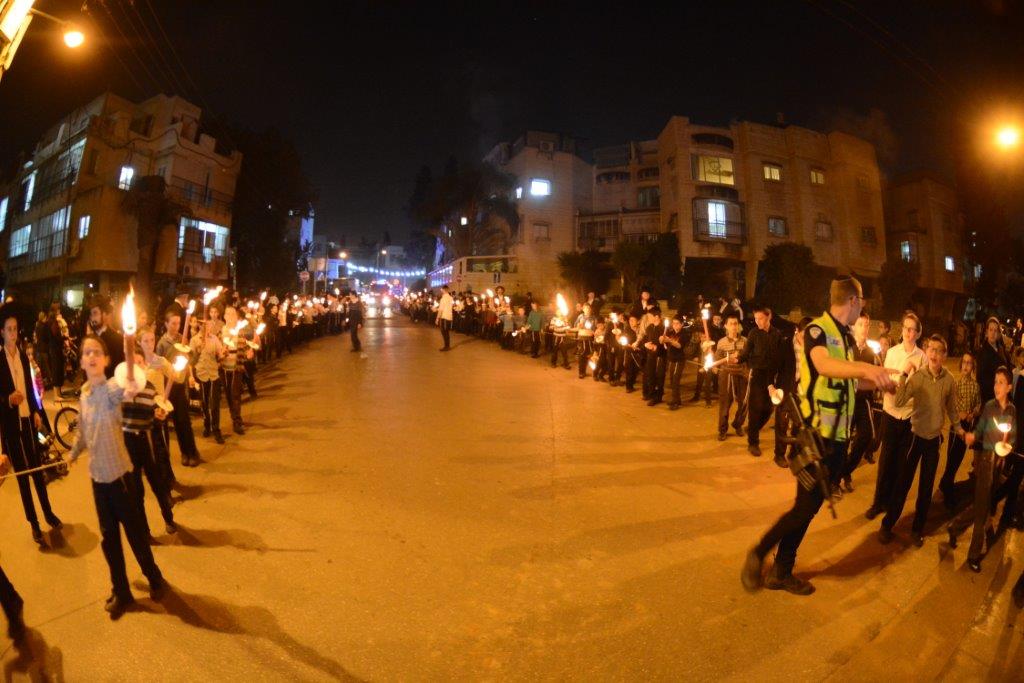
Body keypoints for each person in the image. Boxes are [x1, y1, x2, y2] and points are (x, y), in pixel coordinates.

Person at [742, 276, 895, 595]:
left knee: (807, 508)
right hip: (816, 436)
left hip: (836, 439)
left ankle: (780, 568)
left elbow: (848, 381)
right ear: (853, 301)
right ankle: (763, 556)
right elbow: (824, 365)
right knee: (803, 508)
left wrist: (881, 381)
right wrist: (868, 370)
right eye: (862, 301)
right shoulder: (817, 330)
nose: (862, 308)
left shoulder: (844, 336)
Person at [68, 335, 166, 618]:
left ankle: (154, 576)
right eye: (86, 352)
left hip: (121, 478)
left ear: (106, 360)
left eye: (96, 351)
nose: (91, 356)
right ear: (82, 361)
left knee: (135, 534)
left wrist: (131, 362)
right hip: (98, 482)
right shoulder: (84, 395)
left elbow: (130, 384)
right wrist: (73, 454)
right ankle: (121, 591)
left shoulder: (111, 390)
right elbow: (83, 433)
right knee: (110, 541)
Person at [878, 335, 963, 547]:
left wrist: (960, 428)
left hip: (933, 442)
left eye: (938, 350)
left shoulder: (950, 381)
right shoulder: (919, 377)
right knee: (903, 484)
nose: (934, 354)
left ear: (944, 355)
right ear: (927, 353)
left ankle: (917, 530)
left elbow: (952, 408)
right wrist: (905, 375)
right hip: (914, 438)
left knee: (926, 489)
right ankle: (887, 525)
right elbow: (899, 400)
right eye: (931, 349)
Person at [0, 313, 62, 544]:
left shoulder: (24, 358)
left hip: (28, 421)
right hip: (11, 426)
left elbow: (30, 387)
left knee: (37, 468)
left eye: (15, 329)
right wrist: (7, 399)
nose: (13, 334)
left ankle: (48, 513)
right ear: (2, 332)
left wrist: (36, 411)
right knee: (24, 477)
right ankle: (34, 524)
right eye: (9, 329)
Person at [947, 366, 1015, 572]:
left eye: (1001, 382)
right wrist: (972, 436)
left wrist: (1007, 446)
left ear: (1009, 387)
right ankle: (973, 555)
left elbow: (1011, 436)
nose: (996, 386)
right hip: (986, 460)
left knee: (981, 504)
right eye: (995, 381)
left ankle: (955, 526)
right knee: (983, 509)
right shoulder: (989, 407)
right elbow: (980, 429)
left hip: (998, 463)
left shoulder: (1011, 410)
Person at [865, 312, 924, 520]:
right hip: (890, 413)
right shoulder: (892, 352)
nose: (907, 332)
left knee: (901, 464)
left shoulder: (922, 357)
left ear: (917, 333)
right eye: (905, 328)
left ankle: (891, 505)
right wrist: (892, 385)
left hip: (908, 417)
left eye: (911, 329)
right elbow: (886, 379)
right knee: (885, 461)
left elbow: (921, 389)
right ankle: (878, 502)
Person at [122, 350, 177, 539]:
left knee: (158, 485)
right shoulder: (121, 391)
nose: (137, 366)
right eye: (132, 362)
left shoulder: (150, 387)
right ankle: (144, 531)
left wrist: (159, 415)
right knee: (137, 491)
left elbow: (157, 410)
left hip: (147, 442)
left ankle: (168, 518)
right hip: (129, 446)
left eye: (140, 362)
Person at [839, 312, 881, 493]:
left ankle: (845, 470)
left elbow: (876, 375)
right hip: (847, 401)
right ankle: (837, 478)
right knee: (843, 440)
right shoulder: (846, 348)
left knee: (865, 437)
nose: (864, 328)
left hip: (864, 401)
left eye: (867, 325)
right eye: (861, 324)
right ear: (854, 326)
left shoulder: (872, 353)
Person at [737, 305, 784, 456]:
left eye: (761, 318)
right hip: (756, 374)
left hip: (772, 376)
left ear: (769, 317)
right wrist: (737, 358)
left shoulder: (777, 334)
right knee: (755, 409)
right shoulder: (753, 333)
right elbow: (746, 352)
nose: (758, 321)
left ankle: (753, 428)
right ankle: (753, 442)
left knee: (769, 408)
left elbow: (779, 358)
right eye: (756, 318)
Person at [156, 311, 201, 467]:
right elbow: (158, 366)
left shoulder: (183, 339)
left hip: (180, 385)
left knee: (184, 420)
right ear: (166, 324)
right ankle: (184, 453)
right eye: (173, 323)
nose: (176, 326)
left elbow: (190, 360)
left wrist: (190, 373)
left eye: (178, 323)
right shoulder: (162, 344)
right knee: (176, 420)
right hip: (169, 387)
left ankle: (192, 451)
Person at [938, 353, 981, 510]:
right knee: (952, 459)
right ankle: (947, 490)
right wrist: (960, 413)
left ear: (972, 366)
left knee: (958, 458)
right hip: (957, 427)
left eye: (969, 363)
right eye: (964, 362)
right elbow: (953, 404)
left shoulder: (975, 386)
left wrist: (973, 413)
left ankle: (945, 483)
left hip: (968, 426)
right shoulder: (956, 384)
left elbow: (978, 403)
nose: (966, 366)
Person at [191, 306, 226, 445]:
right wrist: (198, 351)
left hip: (214, 374)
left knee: (215, 403)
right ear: (200, 325)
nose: (207, 327)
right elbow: (190, 360)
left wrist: (223, 354)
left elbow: (220, 354)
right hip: (201, 374)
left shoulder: (214, 339)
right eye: (204, 324)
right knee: (204, 402)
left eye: (208, 324)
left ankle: (216, 429)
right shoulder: (194, 340)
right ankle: (207, 425)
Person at [717, 313, 748, 441]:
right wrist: (728, 359)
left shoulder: (745, 341)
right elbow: (717, 360)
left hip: (741, 374)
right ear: (726, 326)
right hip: (727, 375)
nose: (734, 327)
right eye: (731, 324)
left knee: (744, 403)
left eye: (736, 324)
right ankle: (722, 430)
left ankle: (738, 424)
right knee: (725, 403)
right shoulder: (722, 342)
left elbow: (748, 358)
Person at [976, 317, 1010, 406]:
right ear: (986, 332)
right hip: (990, 396)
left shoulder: (1001, 349)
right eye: (991, 330)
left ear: (998, 333)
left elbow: (1008, 367)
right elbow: (980, 377)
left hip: (1004, 395)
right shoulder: (982, 352)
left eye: (995, 330)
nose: (993, 333)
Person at [641, 308, 666, 406]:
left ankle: (658, 397)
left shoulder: (664, 329)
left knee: (659, 376)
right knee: (650, 375)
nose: (647, 318)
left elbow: (664, 344)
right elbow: (644, 339)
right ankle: (651, 394)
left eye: (649, 316)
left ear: (656, 317)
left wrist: (657, 347)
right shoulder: (650, 327)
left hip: (660, 357)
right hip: (650, 356)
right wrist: (646, 344)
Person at [664, 316, 689, 410]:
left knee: (675, 380)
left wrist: (669, 340)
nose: (675, 325)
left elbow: (679, 346)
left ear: (682, 324)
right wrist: (662, 340)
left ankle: (675, 402)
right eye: (673, 323)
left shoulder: (684, 334)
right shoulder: (671, 333)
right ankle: (677, 399)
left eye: (677, 323)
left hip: (679, 359)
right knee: (672, 380)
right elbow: (665, 343)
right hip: (671, 359)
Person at [574, 303, 596, 379]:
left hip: (589, 339)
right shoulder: (580, 317)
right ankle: (581, 372)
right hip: (581, 338)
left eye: (589, 308)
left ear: (591, 309)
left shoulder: (593, 318)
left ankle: (591, 372)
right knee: (582, 355)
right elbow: (575, 325)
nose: (587, 309)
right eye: (586, 308)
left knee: (589, 355)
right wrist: (579, 325)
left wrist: (593, 331)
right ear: (583, 309)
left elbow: (595, 328)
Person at [436, 286, 453, 352]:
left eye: (441, 290)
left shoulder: (443, 299)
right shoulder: (451, 298)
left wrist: (437, 318)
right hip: (449, 317)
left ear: (444, 290)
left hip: (444, 317)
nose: (441, 291)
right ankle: (447, 345)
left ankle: (447, 346)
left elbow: (441, 309)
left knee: (444, 332)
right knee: (446, 332)